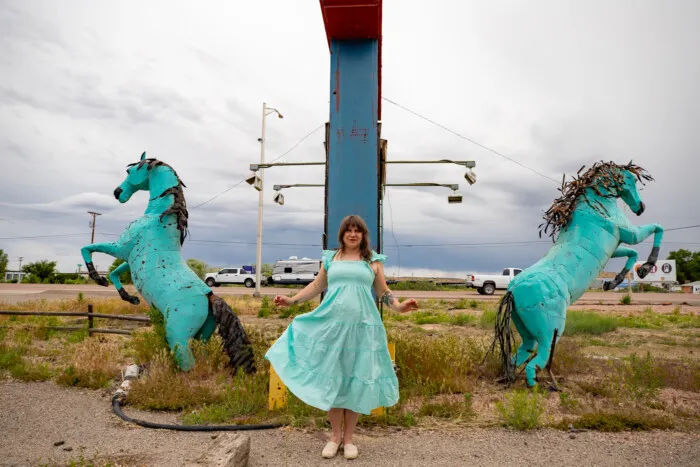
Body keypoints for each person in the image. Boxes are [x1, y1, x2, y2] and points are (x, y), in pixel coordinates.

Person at [265, 214, 418, 460]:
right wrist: (292, 301)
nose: (353, 234)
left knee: (355, 380)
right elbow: (316, 287)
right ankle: (334, 437)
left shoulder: (373, 262)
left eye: (358, 230)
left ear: (363, 235)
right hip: (332, 328)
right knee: (335, 381)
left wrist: (400, 307)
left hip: (363, 329)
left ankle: (349, 440)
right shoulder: (330, 259)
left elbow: (384, 293)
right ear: (342, 234)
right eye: (349, 230)